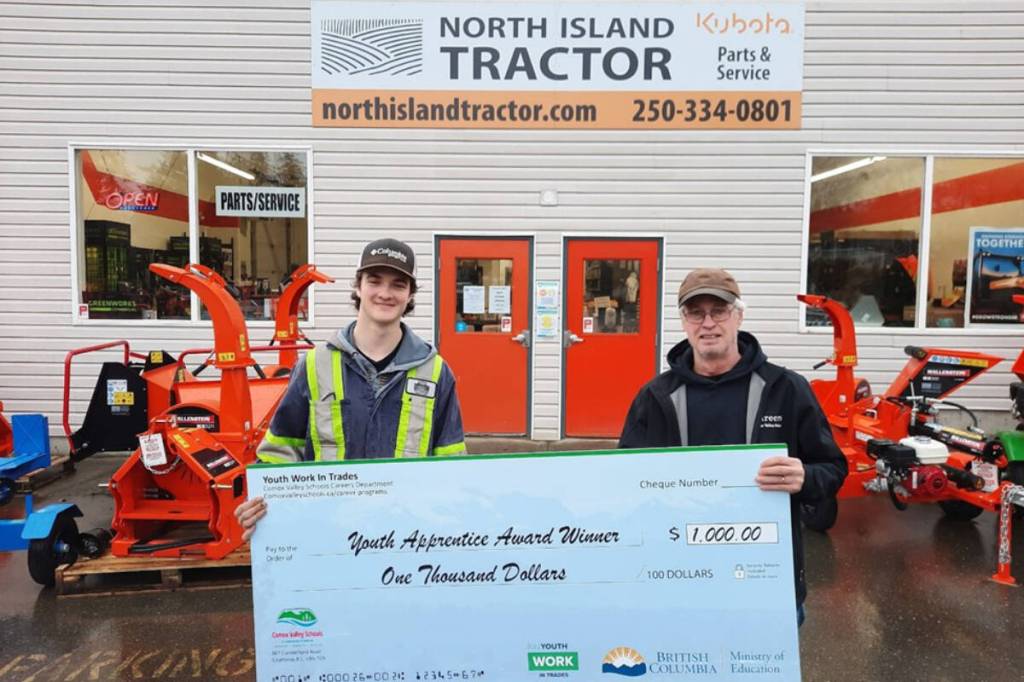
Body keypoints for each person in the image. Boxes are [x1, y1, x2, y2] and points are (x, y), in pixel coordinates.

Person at [618, 268, 847, 624]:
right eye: (696, 312)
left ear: (739, 315)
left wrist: (804, 477)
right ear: (684, 322)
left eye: (719, 310)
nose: (707, 323)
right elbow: (625, 483)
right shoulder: (656, 397)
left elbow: (833, 470)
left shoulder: (786, 389)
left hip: (766, 583)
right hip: (679, 583)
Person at [236, 238, 466, 539]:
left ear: (410, 295)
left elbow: (451, 465)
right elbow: (281, 452)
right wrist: (258, 503)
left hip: (406, 539)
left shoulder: (435, 372)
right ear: (358, 287)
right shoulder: (314, 366)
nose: (385, 293)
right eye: (374, 281)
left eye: (398, 284)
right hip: (328, 536)